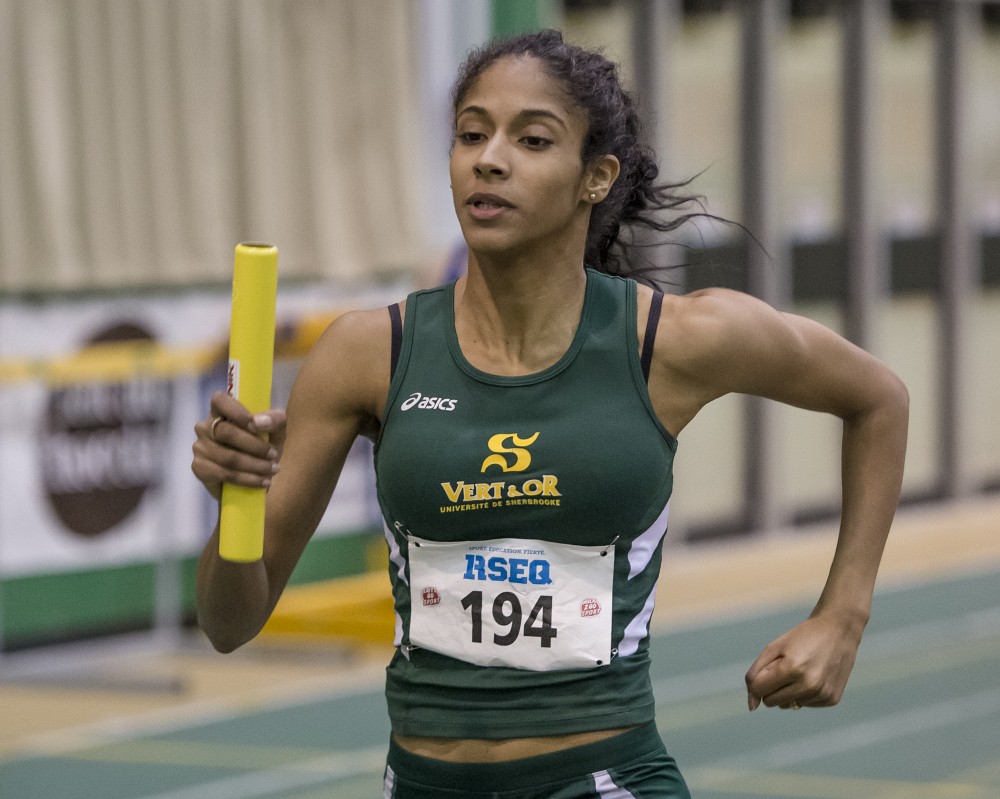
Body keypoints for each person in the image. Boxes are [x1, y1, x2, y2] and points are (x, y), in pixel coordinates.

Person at [192, 29, 908, 799]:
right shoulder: (369, 352)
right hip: (425, 782)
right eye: (470, 134)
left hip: (603, 779)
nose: (488, 158)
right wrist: (238, 499)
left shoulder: (676, 339)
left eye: (531, 139)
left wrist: (843, 613)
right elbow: (231, 623)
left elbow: (878, 399)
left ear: (594, 176)